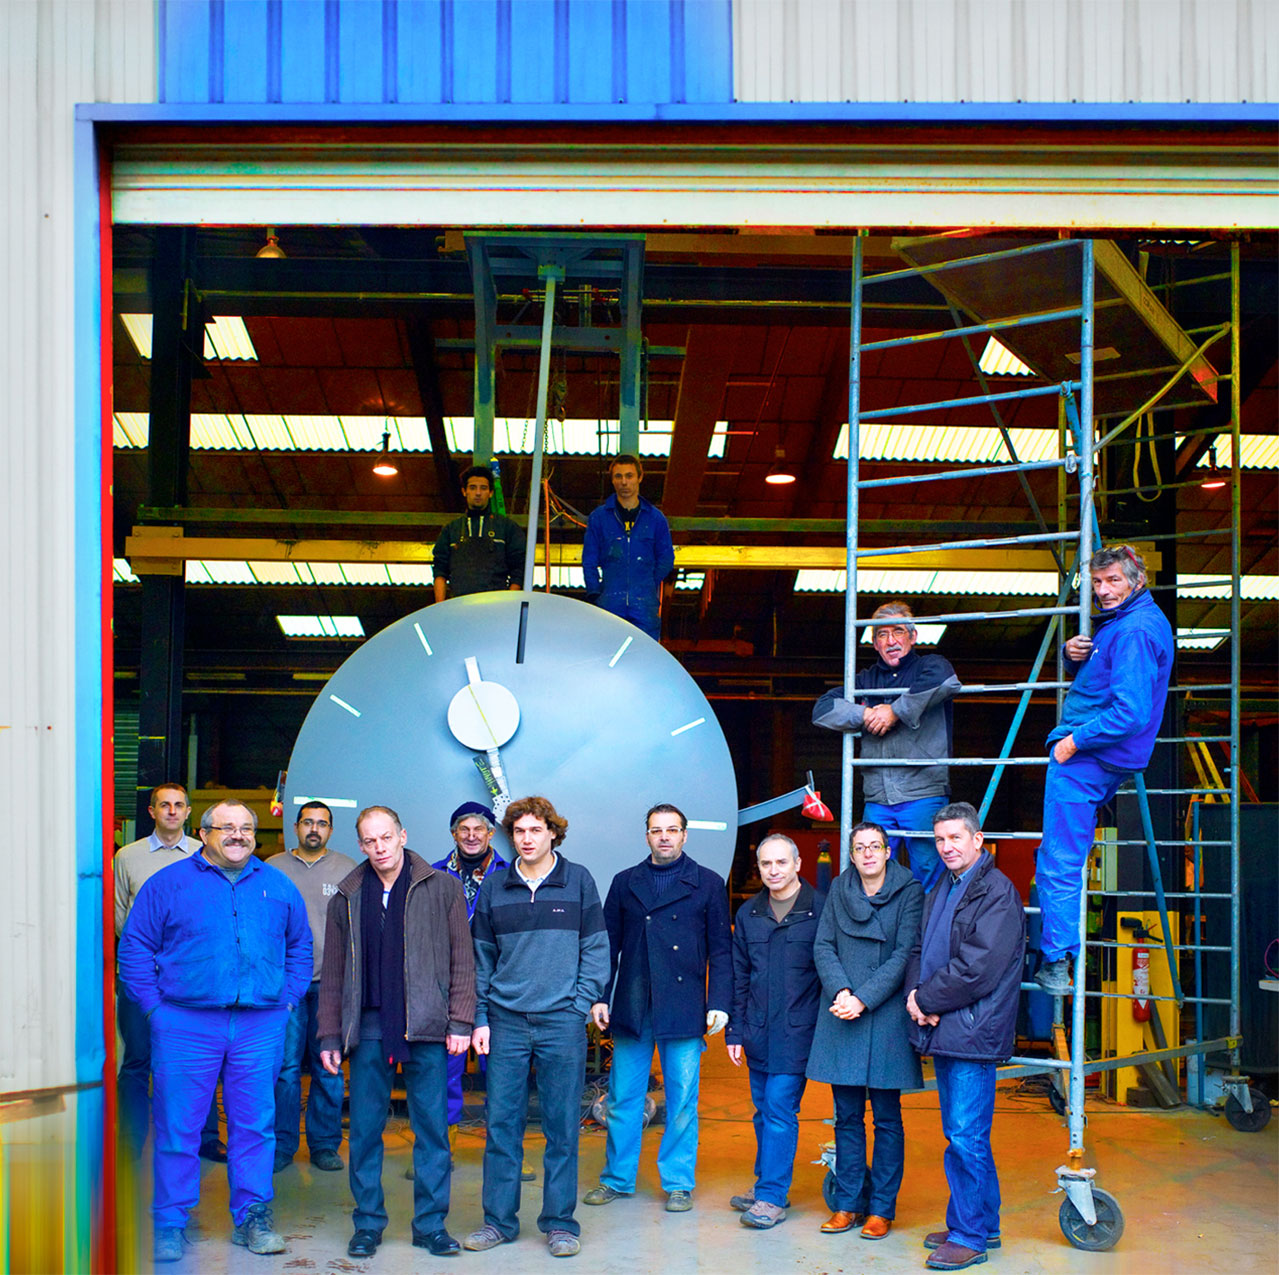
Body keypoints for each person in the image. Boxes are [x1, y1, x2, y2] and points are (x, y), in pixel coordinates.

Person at [117, 799, 311, 1264]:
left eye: (246, 828)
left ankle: (253, 1217)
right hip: (185, 1023)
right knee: (177, 1127)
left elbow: (300, 947)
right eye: (227, 827)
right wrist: (155, 1010)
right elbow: (135, 947)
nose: (238, 835)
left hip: (259, 1023)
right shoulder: (169, 883)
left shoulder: (277, 885)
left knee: (254, 1125)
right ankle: (169, 1222)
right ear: (203, 834)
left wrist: (286, 1001)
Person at [317, 805, 476, 1259]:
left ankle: (431, 1225)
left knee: (433, 1130)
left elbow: (462, 959)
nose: (379, 848)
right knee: (365, 1130)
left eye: (386, 837)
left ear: (402, 836)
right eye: (369, 841)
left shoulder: (441, 887)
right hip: (368, 1024)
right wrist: (329, 1034)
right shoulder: (347, 896)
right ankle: (368, 1223)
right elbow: (333, 971)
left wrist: (461, 1021)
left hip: (427, 1023)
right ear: (360, 844)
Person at [463, 796, 609, 1259]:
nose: (526, 839)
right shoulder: (495, 886)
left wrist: (577, 1005)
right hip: (505, 1022)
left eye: (535, 830)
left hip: (560, 1023)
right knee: (501, 1125)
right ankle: (498, 1222)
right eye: (519, 831)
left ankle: (560, 1224)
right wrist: (481, 1017)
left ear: (553, 834)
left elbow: (596, 949)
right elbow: (481, 960)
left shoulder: (578, 881)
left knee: (562, 1127)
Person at [1034, 545, 1174, 995]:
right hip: (1111, 754)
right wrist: (1073, 655)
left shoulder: (1133, 630)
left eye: (1113, 580)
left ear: (1138, 579)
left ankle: (1056, 961)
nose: (1103, 590)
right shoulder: (1125, 622)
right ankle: (1060, 953)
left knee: (1059, 858)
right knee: (1067, 853)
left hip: (1090, 755)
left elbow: (1130, 712)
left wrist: (1073, 742)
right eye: (1097, 582)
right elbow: (1107, 680)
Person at [583, 803, 732, 1213]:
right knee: (623, 1098)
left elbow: (721, 950)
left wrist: (719, 1001)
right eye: (656, 830)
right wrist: (600, 995)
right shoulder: (625, 882)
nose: (664, 836)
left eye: (671, 829)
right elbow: (607, 946)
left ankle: (679, 1183)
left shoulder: (707, 883)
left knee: (682, 1100)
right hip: (633, 1003)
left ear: (684, 835)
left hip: (683, 1006)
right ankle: (617, 1179)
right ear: (646, 835)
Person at [904, 803, 1026, 1272]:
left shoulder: (997, 893)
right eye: (940, 839)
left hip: (973, 1028)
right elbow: (921, 947)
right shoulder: (946, 884)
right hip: (947, 1024)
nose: (947, 846)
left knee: (965, 1136)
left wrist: (926, 999)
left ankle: (969, 1236)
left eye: (956, 837)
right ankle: (981, 1223)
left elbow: (978, 968)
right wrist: (918, 997)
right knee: (964, 1134)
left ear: (978, 839)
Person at [806, 822, 924, 1241]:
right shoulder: (839, 889)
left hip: (885, 1014)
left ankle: (881, 1210)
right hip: (843, 1013)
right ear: (852, 855)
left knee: (887, 1119)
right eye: (860, 848)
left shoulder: (910, 891)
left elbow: (904, 954)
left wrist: (863, 999)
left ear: (888, 852)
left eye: (875, 846)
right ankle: (848, 1205)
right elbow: (823, 945)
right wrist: (841, 991)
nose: (868, 853)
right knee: (847, 1117)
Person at [813, 602, 961, 893]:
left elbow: (947, 680)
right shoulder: (863, 680)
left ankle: (926, 924)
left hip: (923, 793)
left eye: (898, 632)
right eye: (882, 634)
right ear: (874, 643)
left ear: (913, 637)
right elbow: (822, 709)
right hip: (878, 798)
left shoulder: (931, 666)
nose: (891, 640)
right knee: (870, 874)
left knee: (930, 874)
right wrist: (865, 714)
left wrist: (894, 711)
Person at [725, 834, 825, 1230]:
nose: (774, 870)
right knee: (763, 1111)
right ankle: (765, 1181)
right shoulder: (749, 913)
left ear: (797, 864)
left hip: (799, 1031)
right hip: (757, 1030)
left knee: (780, 1108)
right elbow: (740, 977)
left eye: (781, 862)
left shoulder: (820, 910)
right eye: (766, 864)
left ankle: (771, 1197)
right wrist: (735, 1031)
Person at [112, 783, 210, 1156]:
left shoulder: (205, 853)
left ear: (188, 812)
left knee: (194, 1062)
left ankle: (201, 1140)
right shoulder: (128, 857)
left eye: (179, 805)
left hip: (189, 980)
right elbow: (120, 917)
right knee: (137, 1060)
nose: (172, 810)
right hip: (141, 977)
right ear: (151, 811)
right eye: (164, 804)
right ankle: (130, 1142)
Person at [266, 801, 356, 1173]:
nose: (314, 829)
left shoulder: (348, 870)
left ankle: (324, 1145)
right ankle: (282, 1145)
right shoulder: (272, 868)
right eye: (307, 822)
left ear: (330, 830)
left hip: (330, 984)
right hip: (285, 985)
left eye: (322, 823)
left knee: (328, 1067)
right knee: (285, 1069)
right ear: (296, 827)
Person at [432, 801, 509, 1139]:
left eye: (479, 829)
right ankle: (442, 1144)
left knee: (502, 1071)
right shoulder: (434, 874)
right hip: (449, 985)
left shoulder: (509, 874)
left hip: (497, 984)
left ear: (491, 834)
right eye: (464, 829)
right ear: (454, 834)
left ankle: (503, 1146)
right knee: (445, 1067)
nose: (471, 835)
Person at [581, 453, 675, 641]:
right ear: (612, 480)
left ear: (640, 477)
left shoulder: (655, 519)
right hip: (609, 602)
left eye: (629, 476)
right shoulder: (599, 518)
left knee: (645, 651)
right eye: (618, 476)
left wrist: (647, 582)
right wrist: (594, 592)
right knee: (608, 651)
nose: (624, 482)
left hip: (644, 605)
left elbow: (666, 559)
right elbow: (589, 560)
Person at [432, 465, 525, 600]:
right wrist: (440, 606)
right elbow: (440, 571)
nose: (478, 493)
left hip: (496, 605)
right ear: (464, 491)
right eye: (472, 487)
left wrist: (508, 604)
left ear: (491, 493)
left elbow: (519, 570)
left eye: (483, 488)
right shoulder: (450, 530)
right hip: (458, 606)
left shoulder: (507, 528)